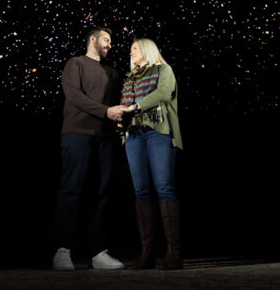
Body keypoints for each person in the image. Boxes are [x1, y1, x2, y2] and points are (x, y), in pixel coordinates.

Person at [52, 27, 126, 270]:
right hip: (77, 134)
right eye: (106, 39)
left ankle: (98, 253)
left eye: (111, 41)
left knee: (102, 193)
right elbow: (73, 95)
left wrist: (118, 118)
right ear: (92, 40)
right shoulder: (75, 63)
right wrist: (105, 112)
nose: (109, 44)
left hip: (105, 138)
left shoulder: (113, 72)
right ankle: (62, 250)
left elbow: (117, 104)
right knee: (72, 189)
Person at [119, 38, 184, 270]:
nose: (130, 53)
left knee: (164, 187)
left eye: (134, 49)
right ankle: (147, 252)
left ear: (147, 50)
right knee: (140, 191)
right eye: (130, 50)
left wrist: (134, 107)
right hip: (134, 134)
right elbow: (124, 105)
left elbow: (164, 93)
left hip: (158, 131)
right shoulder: (130, 78)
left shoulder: (163, 69)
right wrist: (121, 120)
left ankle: (174, 253)